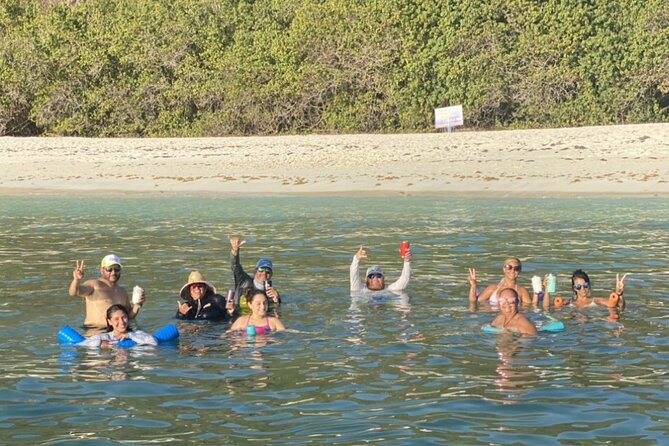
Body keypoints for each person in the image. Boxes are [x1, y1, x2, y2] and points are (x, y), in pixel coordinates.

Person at [69, 254, 145, 328]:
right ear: (102, 270)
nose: (113, 273)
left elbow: (128, 316)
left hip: (116, 332)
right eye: (109, 269)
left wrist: (137, 305)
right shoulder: (94, 285)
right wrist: (76, 280)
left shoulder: (122, 291)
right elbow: (74, 292)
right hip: (95, 331)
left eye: (117, 269)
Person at [229, 237, 281, 311]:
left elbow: (275, 315)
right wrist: (235, 251)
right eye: (261, 270)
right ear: (255, 271)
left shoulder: (272, 293)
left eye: (268, 271)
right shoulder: (243, 281)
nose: (264, 273)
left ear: (271, 275)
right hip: (238, 316)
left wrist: (276, 301)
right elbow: (235, 266)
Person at [78, 304, 157, 347]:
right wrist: (99, 343)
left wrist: (129, 335)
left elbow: (153, 342)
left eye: (124, 317)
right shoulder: (104, 337)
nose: (121, 322)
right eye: (116, 319)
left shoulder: (137, 334)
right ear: (110, 322)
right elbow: (80, 344)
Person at [548, 269, 627, 311]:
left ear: (589, 286)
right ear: (574, 288)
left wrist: (619, 294)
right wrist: (547, 289)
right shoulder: (567, 302)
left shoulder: (596, 301)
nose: (582, 289)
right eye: (578, 286)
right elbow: (546, 306)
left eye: (585, 285)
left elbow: (619, 306)